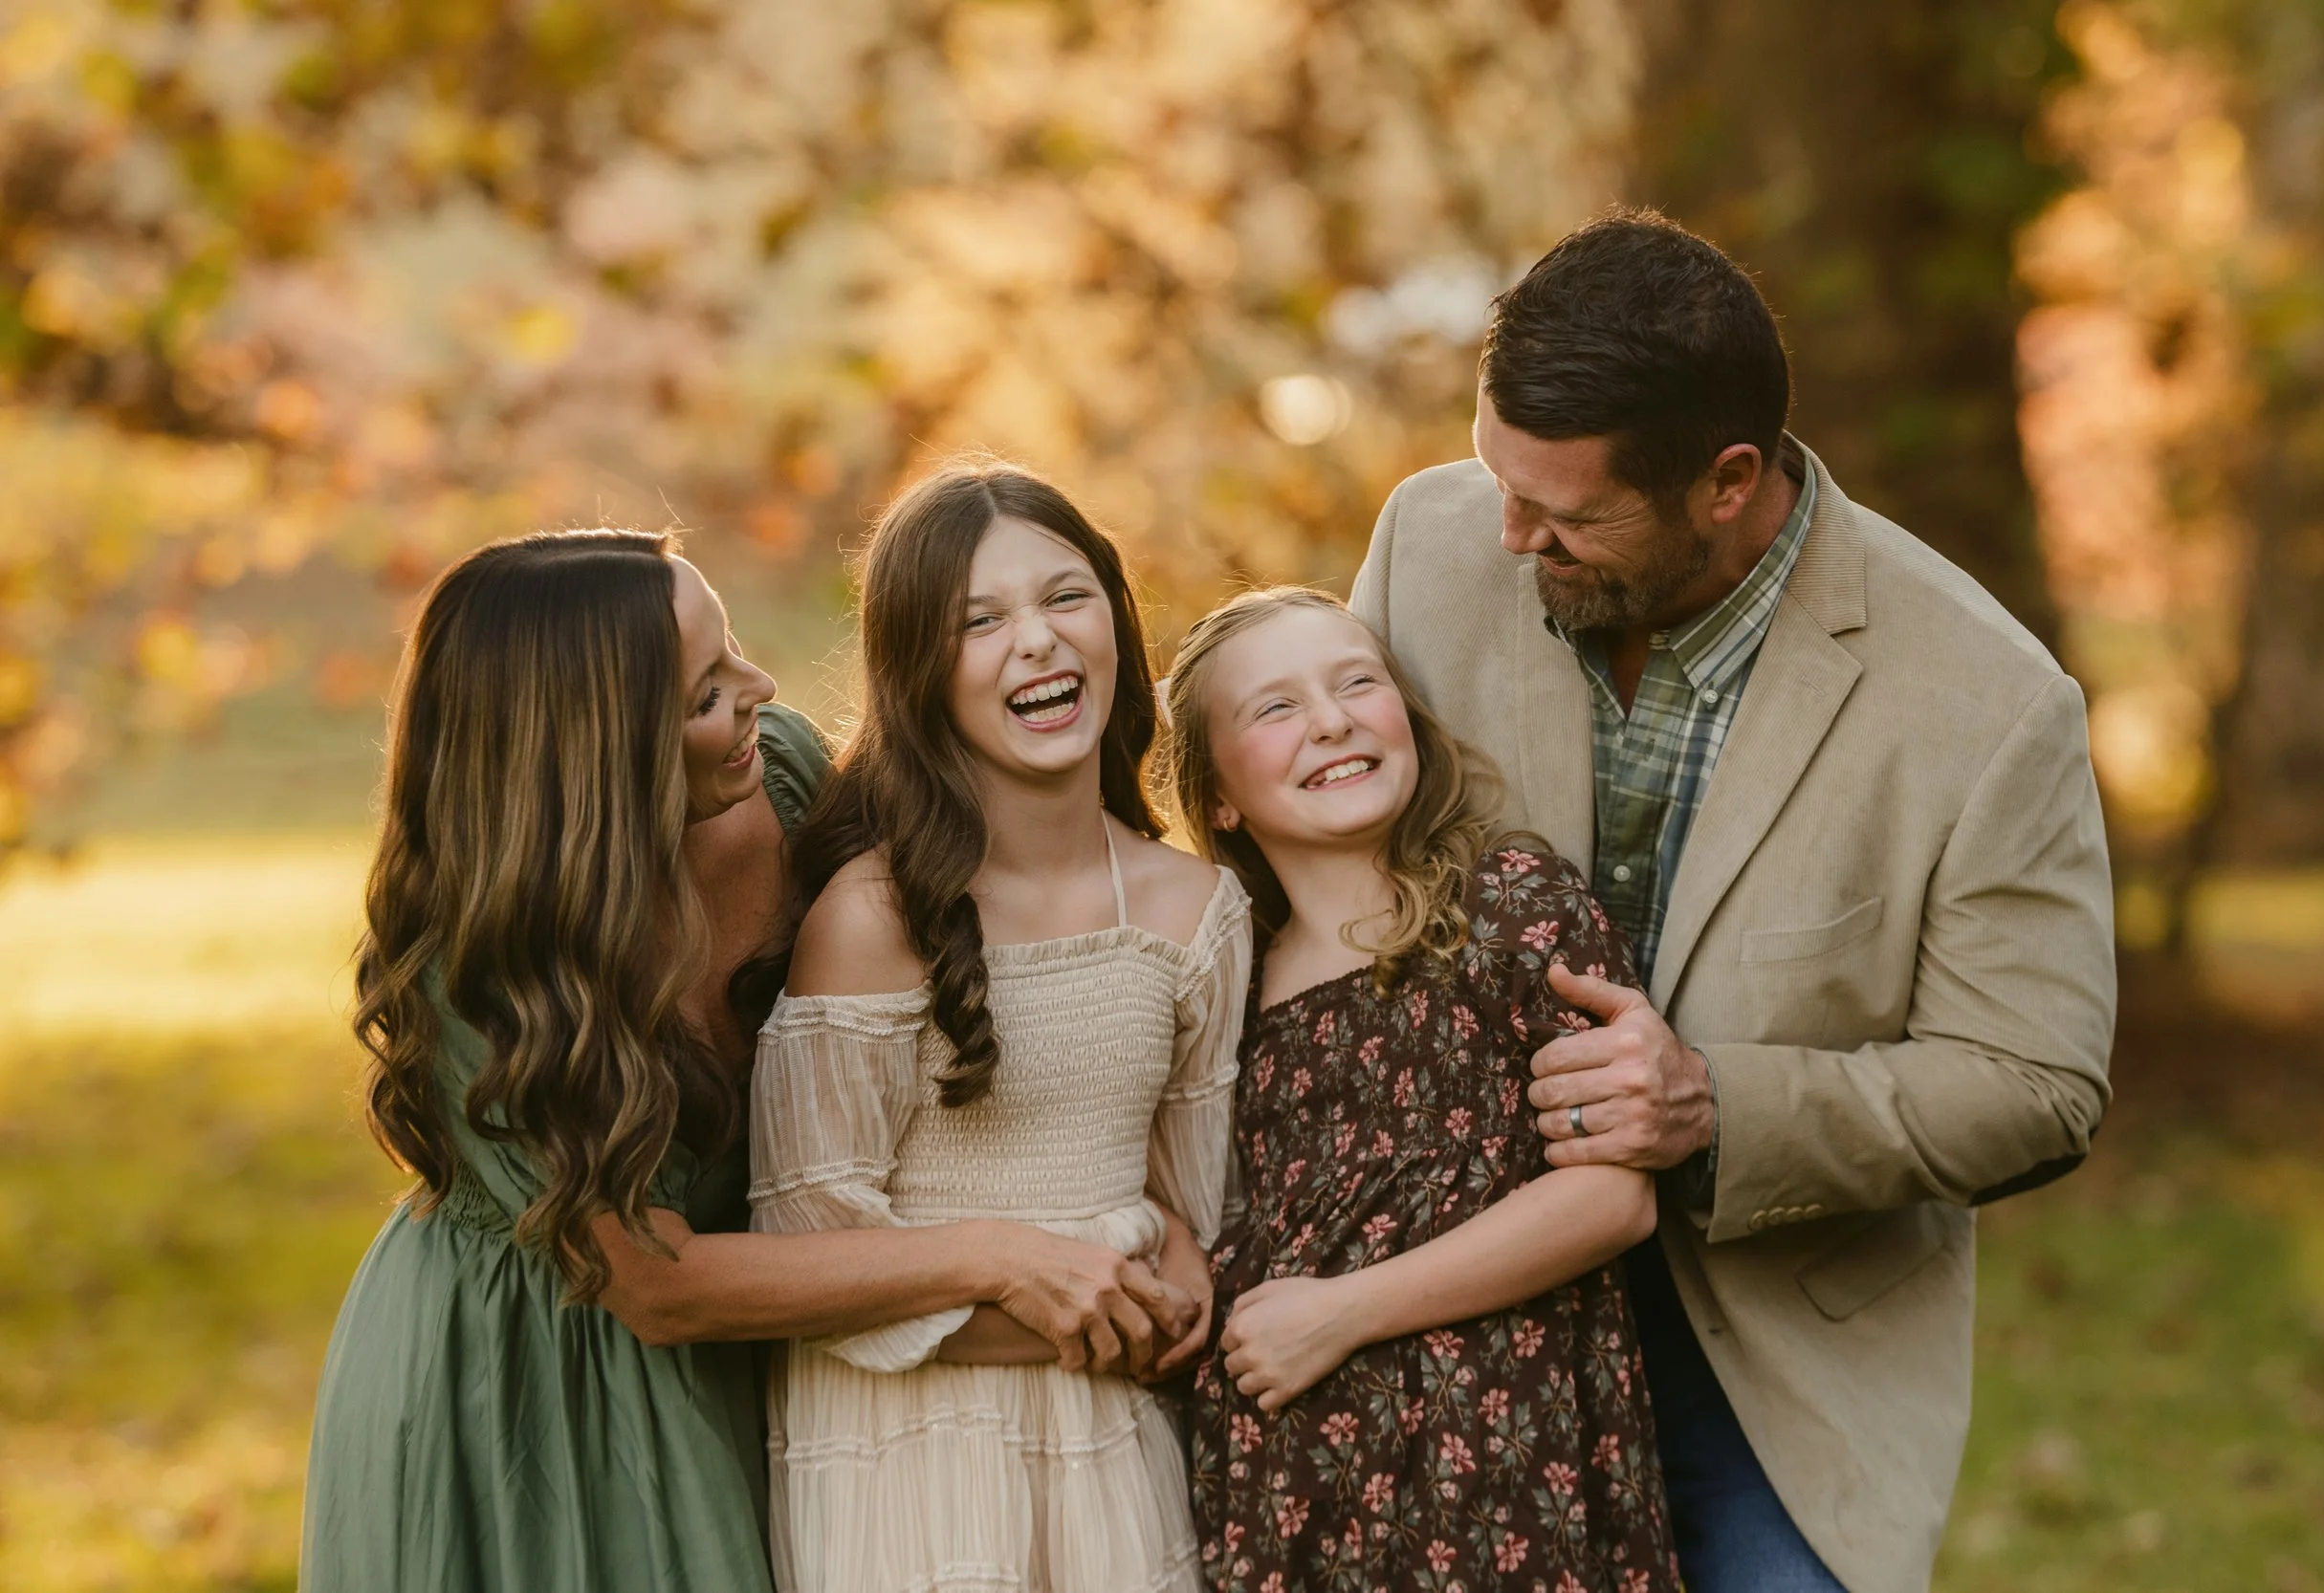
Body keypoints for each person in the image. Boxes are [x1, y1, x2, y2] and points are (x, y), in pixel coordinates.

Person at [1348, 209, 2117, 1593]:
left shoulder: (1990, 704)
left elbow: (2037, 1080)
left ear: (1728, 480)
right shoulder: (1431, 539)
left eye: (1568, 515)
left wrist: (1713, 1104)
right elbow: (1326, 867)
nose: (1510, 535)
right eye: (1497, 481)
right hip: (1442, 1303)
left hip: (1772, 1365)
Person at [301, 530, 1194, 1593]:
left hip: (788, 1322)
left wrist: (1144, 1195)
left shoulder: (787, 782)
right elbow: (654, 1281)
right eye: (706, 694)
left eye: (734, 653)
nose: (760, 688)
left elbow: (985, 965)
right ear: (598, 753)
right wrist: (997, 1255)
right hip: (526, 1374)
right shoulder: (487, 962)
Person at [749, 463, 1253, 1592]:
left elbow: (1197, 1196)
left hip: (1115, 1445)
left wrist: (1178, 1279)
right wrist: (1087, 1310)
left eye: (1065, 597)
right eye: (979, 621)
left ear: (1118, 624)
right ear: (920, 673)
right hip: (908, 1451)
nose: (1035, 640)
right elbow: (809, 1251)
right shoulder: (875, 915)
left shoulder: (1195, 913)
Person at [1166, 587, 1677, 1592]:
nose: (1330, 718)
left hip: (1506, 1472)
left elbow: (1613, 1196)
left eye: (1358, 681)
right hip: (1301, 1495)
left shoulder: (1510, 906)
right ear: (1217, 794)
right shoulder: (1224, 986)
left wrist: (1344, 1312)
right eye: (1274, 708)